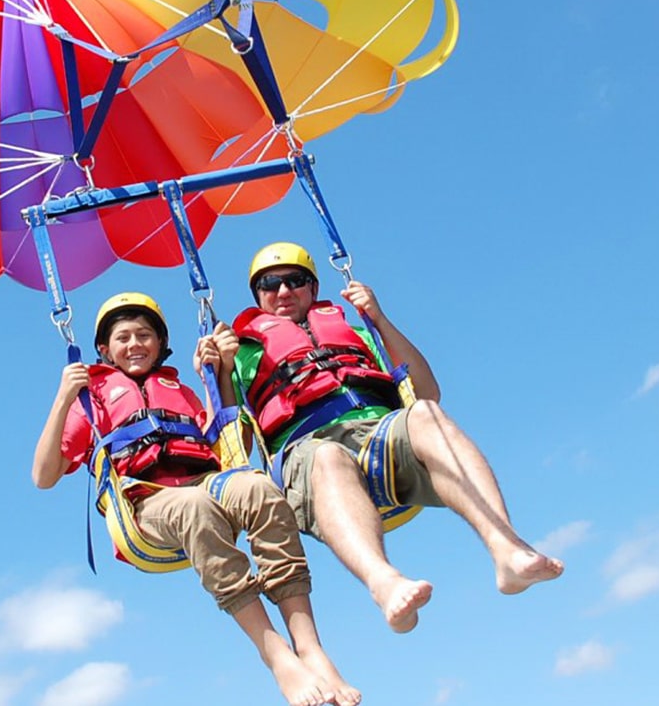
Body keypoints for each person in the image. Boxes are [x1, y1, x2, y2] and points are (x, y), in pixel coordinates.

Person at [32, 292, 359, 706]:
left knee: (257, 486)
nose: (135, 345)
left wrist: (218, 373)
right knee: (194, 507)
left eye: (145, 335)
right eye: (124, 338)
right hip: (146, 503)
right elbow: (43, 476)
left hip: (206, 482)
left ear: (160, 343)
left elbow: (228, 446)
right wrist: (64, 396)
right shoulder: (91, 398)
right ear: (104, 349)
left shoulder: (180, 391)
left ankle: (310, 646)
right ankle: (275, 653)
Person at [222, 243, 564, 634]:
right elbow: (236, 454)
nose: (283, 292)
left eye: (295, 281)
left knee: (426, 413)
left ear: (313, 290)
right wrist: (219, 372)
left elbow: (427, 390)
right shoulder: (241, 354)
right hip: (309, 449)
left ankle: (506, 549)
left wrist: (378, 319)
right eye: (270, 284)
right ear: (258, 296)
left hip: (380, 437)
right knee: (328, 455)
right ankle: (383, 582)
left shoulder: (353, 334)